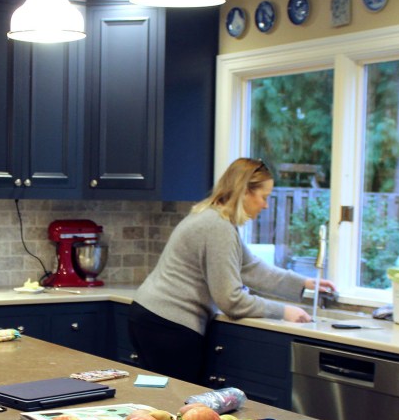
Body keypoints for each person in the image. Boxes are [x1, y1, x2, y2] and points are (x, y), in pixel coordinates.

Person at [129, 157, 337, 384]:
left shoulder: (213, 217)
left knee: (163, 403)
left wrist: (304, 283)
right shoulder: (218, 227)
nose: (266, 205)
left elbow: (249, 267)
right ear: (245, 191)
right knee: (175, 406)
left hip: (152, 316)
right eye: (264, 197)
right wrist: (283, 311)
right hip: (168, 326)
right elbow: (230, 300)